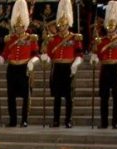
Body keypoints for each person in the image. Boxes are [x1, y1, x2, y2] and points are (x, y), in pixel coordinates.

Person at [0, 0, 39, 128]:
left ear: (24, 26)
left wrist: (32, 62)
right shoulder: (10, 39)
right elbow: (5, 53)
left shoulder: (31, 38)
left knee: (26, 96)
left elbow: (36, 54)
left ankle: (24, 119)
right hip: (12, 68)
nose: (18, 28)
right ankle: (13, 120)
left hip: (24, 68)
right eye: (17, 26)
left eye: (21, 26)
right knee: (10, 95)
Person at [41, 0, 83, 128]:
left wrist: (76, 63)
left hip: (68, 68)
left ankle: (68, 120)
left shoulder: (74, 38)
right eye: (60, 25)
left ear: (68, 25)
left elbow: (79, 53)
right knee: (57, 96)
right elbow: (49, 53)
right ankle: (56, 120)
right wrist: (46, 58)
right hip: (57, 67)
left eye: (64, 25)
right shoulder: (53, 38)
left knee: (69, 97)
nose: (61, 27)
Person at [90, 0, 117, 129]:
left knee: (116, 98)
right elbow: (96, 53)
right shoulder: (101, 41)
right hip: (105, 69)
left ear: (116, 27)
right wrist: (94, 58)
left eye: (113, 27)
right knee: (104, 97)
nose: (110, 30)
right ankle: (104, 122)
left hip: (116, 69)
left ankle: (115, 121)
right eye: (109, 27)